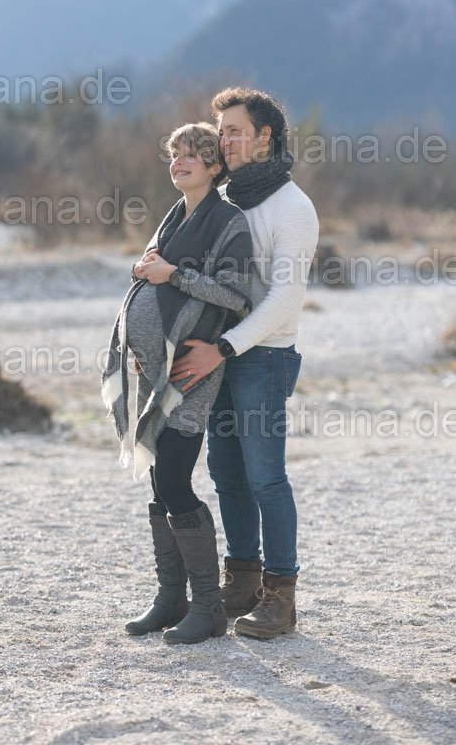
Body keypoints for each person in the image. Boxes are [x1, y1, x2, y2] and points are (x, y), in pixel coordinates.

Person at [169, 88, 319, 640]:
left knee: (266, 477)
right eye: (222, 131)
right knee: (226, 473)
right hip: (217, 354)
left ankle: (281, 597)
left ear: (264, 137)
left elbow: (284, 299)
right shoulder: (223, 198)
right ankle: (242, 580)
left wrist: (225, 347)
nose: (225, 140)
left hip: (264, 357)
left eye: (235, 131)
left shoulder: (293, 208)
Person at [101, 121, 253, 645]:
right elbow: (153, 280)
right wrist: (141, 342)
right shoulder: (172, 218)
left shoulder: (229, 222)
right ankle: (171, 598)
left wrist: (173, 275)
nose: (179, 162)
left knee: (173, 480)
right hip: (155, 371)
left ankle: (208, 607)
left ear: (215, 166)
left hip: (191, 371)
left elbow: (236, 296)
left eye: (191, 154)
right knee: (156, 480)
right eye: (174, 154)